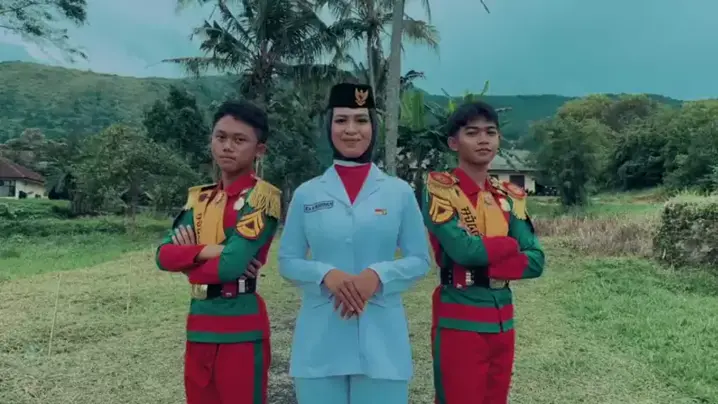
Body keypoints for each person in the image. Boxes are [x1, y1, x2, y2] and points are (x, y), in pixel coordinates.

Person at [278, 82, 431, 404]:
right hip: (321, 337)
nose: (351, 129)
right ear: (329, 126)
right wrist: (325, 275)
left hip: (382, 339)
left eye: (361, 120)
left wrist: (378, 276)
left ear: (373, 127)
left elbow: (420, 259)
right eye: (341, 120)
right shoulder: (307, 193)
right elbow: (288, 260)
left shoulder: (398, 192)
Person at [154, 100, 281, 404]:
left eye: (239, 140)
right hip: (199, 323)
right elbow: (162, 255)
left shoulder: (261, 199)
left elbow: (230, 267)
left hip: (241, 326)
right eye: (220, 137)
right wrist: (213, 250)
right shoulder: (200, 200)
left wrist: (188, 260)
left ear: (259, 150)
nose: (227, 146)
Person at [423, 101, 545, 404]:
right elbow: (465, 251)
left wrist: (484, 262)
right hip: (459, 321)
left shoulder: (508, 197)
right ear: (454, 142)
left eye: (490, 132)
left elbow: (536, 260)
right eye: (472, 132)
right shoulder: (441, 191)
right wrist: (509, 245)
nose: (483, 140)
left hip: (503, 320)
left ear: (499, 139)